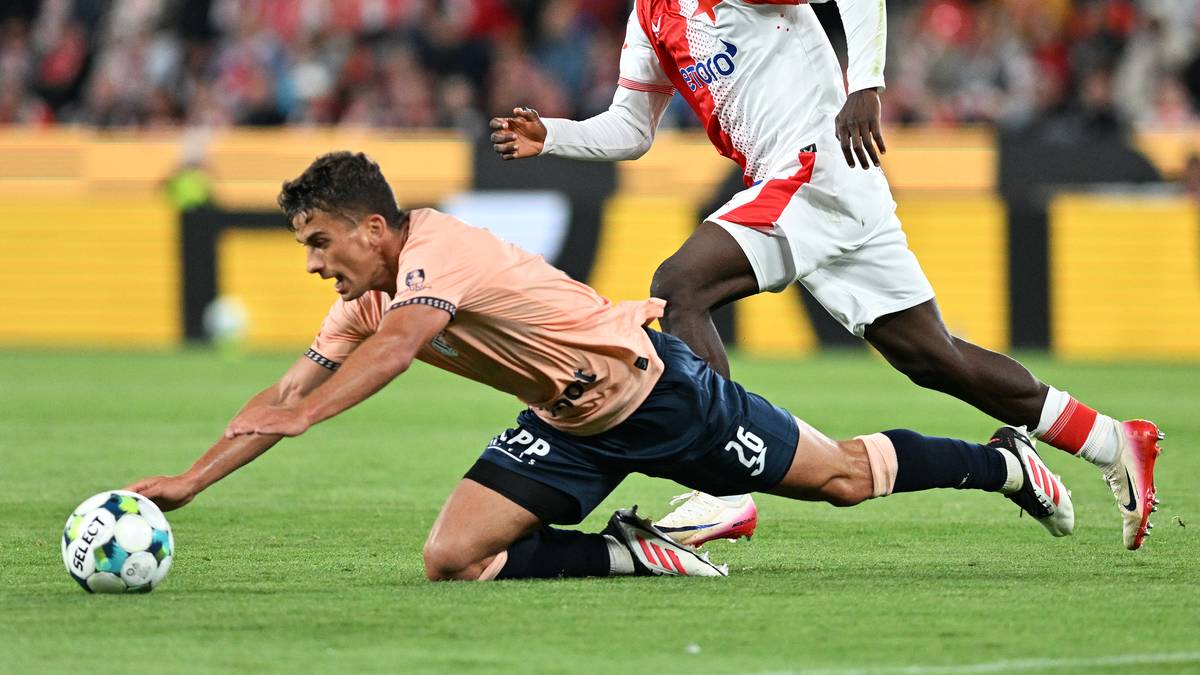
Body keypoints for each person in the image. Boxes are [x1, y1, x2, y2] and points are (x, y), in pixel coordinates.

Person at [487, 0, 1161, 551]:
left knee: (680, 286)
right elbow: (631, 130)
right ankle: (1113, 441)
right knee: (934, 357)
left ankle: (724, 489)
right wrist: (552, 135)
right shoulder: (652, 11)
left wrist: (864, 85)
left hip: (813, 167)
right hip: (823, 185)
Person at [130, 151, 1073, 582]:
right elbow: (285, 392)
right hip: (567, 423)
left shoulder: (439, 251)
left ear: (374, 227)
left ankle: (1003, 462)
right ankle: (634, 550)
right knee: (453, 558)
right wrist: (190, 481)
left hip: (657, 392)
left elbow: (398, 349)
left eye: (319, 241)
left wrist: (307, 415)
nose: (313, 262)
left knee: (840, 479)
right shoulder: (361, 299)